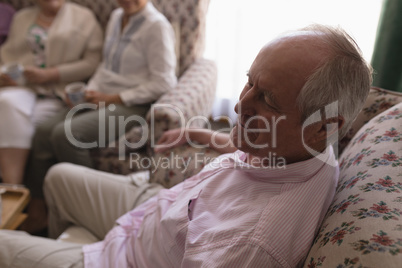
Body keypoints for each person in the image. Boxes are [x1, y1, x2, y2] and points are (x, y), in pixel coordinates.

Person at [0, 24, 372, 267]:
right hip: (165, 211)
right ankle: (59, 236)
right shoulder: (308, 147)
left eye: (268, 100)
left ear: (324, 127)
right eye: (249, 82)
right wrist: (205, 136)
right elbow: (259, 154)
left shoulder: (253, 244)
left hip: (133, 257)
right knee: (58, 176)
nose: (242, 105)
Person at [22, 0, 177, 234]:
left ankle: (88, 212)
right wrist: (88, 92)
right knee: (44, 132)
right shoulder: (116, 17)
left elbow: (164, 81)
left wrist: (115, 97)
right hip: (103, 96)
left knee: (67, 134)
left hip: (133, 104)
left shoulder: (156, 26)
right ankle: (39, 209)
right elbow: (105, 66)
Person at [0, 0, 103, 185]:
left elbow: (92, 61)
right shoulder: (22, 18)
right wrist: (6, 75)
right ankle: (12, 188)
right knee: (6, 102)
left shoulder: (83, 17)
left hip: (59, 91)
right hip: (25, 87)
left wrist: (51, 74)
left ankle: (27, 196)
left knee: (29, 127)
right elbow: (6, 56)